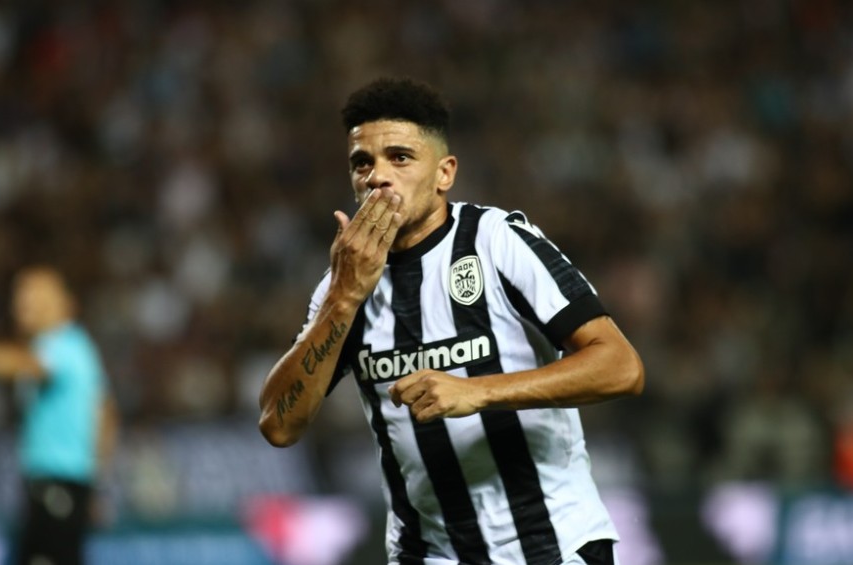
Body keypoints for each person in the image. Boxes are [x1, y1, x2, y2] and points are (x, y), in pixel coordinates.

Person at [258, 77, 644, 565]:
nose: (377, 177)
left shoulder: (498, 242)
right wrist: (342, 299)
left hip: (551, 547)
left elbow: (621, 367)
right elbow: (279, 424)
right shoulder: (343, 288)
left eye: (399, 157)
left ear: (444, 173)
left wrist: (478, 391)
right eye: (362, 163)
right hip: (429, 554)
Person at [0, 266, 116, 565]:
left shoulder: (63, 345)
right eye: (20, 295)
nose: (21, 303)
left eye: (33, 294)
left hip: (59, 483)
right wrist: (95, 482)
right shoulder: (80, 349)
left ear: (63, 303)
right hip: (63, 485)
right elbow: (106, 412)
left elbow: (26, 364)